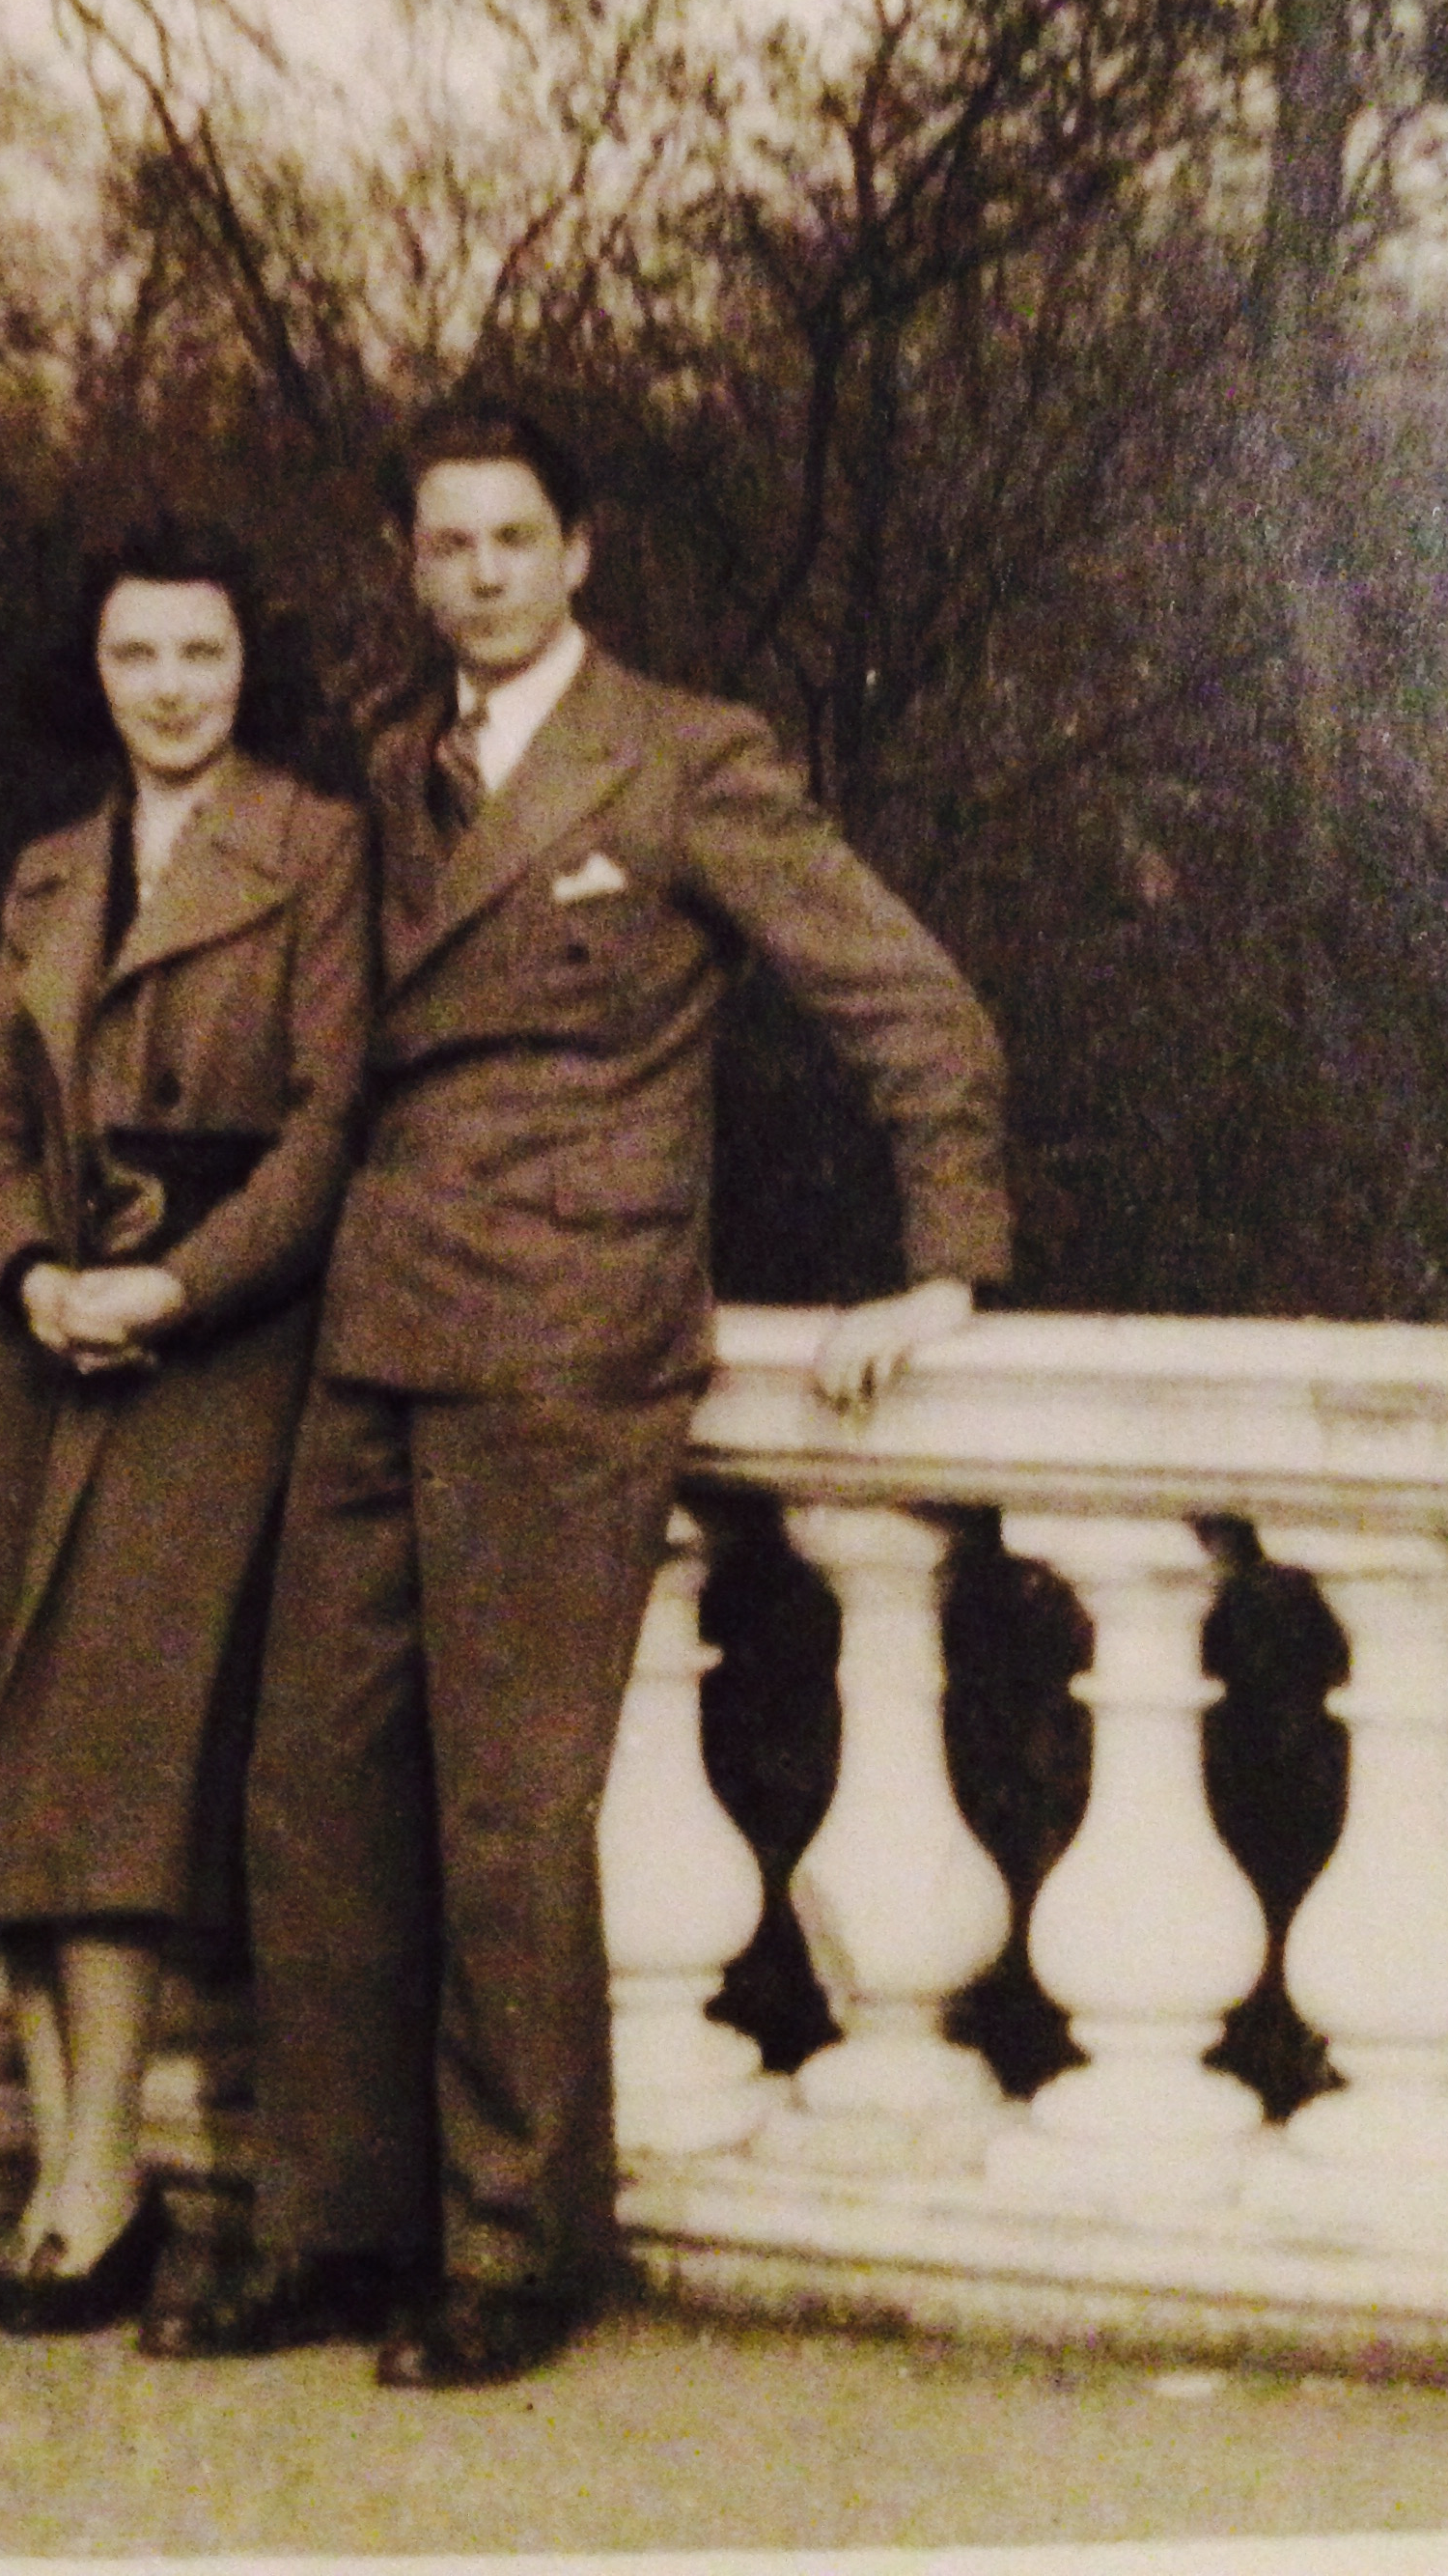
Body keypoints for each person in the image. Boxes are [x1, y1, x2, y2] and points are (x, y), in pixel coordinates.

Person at [140, 406, 1012, 2389]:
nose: (481, 576)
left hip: (571, 1324)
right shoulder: (390, 772)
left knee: (509, 1808)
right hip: (380, 1311)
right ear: (411, 563)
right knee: (311, 1785)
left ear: (579, 551)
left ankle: (517, 2249)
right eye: (447, 545)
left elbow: (912, 1002)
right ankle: (333, 2229)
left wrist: (944, 1262)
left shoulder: (684, 756)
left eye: (514, 540)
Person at [0, 517, 370, 2336]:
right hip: (42, 1357)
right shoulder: (52, 871)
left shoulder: (317, 850)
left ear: (248, 666)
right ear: (95, 672)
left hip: (211, 1355)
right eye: (136, 655)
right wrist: (32, 1270)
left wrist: (177, 1288)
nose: (170, 687)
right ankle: (75, 2186)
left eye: (202, 653)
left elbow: (332, 1128)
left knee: (109, 1761)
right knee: (0, 1746)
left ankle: (100, 2184)